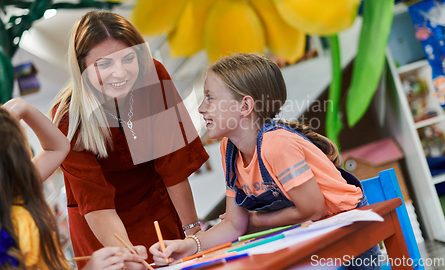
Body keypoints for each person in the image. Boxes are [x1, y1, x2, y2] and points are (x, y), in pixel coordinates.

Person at [150, 53, 381, 270]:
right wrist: (189, 246)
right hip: (313, 234)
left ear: (245, 106)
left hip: (349, 231)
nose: (201, 108)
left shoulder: (276, 145)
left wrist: (255, 219)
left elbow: (313, 209)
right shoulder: (228, 148)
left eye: (210, 97)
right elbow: (233, 224)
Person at [50, 11, 209, 268]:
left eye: (128, 58)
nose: (120, 72)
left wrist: (193, 233)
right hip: (100, 225)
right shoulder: (68, 117)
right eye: (103, 64)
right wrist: (127, 258)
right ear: (82, 68)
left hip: (155, 205)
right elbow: (96, 202)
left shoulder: (152, 75)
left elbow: (173, 165)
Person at [0, 98, 139, 270]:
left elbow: (59, 147)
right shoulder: (24, 223)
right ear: (22, 154)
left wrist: (22, 107)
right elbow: (58, 147)